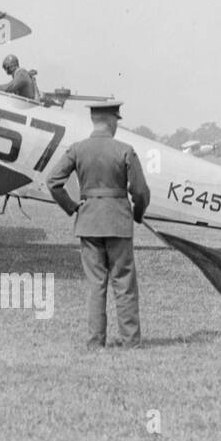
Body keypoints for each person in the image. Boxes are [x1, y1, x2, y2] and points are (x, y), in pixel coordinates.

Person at [47, 99, 151, 349]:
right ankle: (130, 341)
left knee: (96, 284)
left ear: (94, 121)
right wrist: (137, 214)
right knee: (124, 283)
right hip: (118, 221)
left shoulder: (77, 149)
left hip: (89, 222)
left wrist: (72, 207)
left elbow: (53, 182)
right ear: (113, 121)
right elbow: (140, 192)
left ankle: (95, 342)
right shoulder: (125, 149)